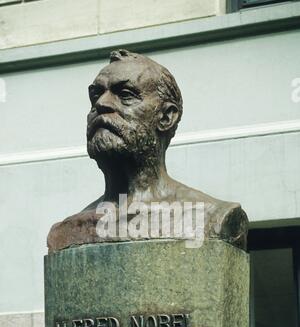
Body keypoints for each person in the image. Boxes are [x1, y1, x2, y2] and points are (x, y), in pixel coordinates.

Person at [48, 49, 248, 252]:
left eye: (125, 95)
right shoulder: (68, 231)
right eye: (96, 95)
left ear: (166, 117)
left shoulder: (211, 216)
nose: (101, 104)